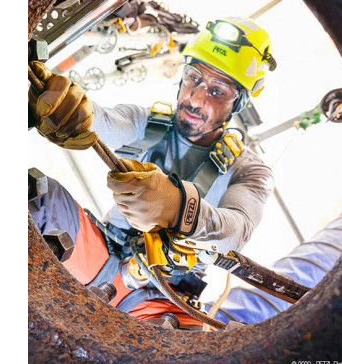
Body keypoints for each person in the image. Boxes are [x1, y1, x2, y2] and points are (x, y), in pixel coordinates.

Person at [28, 16, 276, 328]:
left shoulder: (249, 170)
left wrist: (180, 209)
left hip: (162, 299)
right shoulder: (148, 124)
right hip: (102, 251)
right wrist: (70, 109)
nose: (197, 98)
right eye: (194, 78)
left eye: (218, 91)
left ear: (238, 102)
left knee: (183, 354)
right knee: (36, 195)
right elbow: (104, 121)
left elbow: (236, 230)